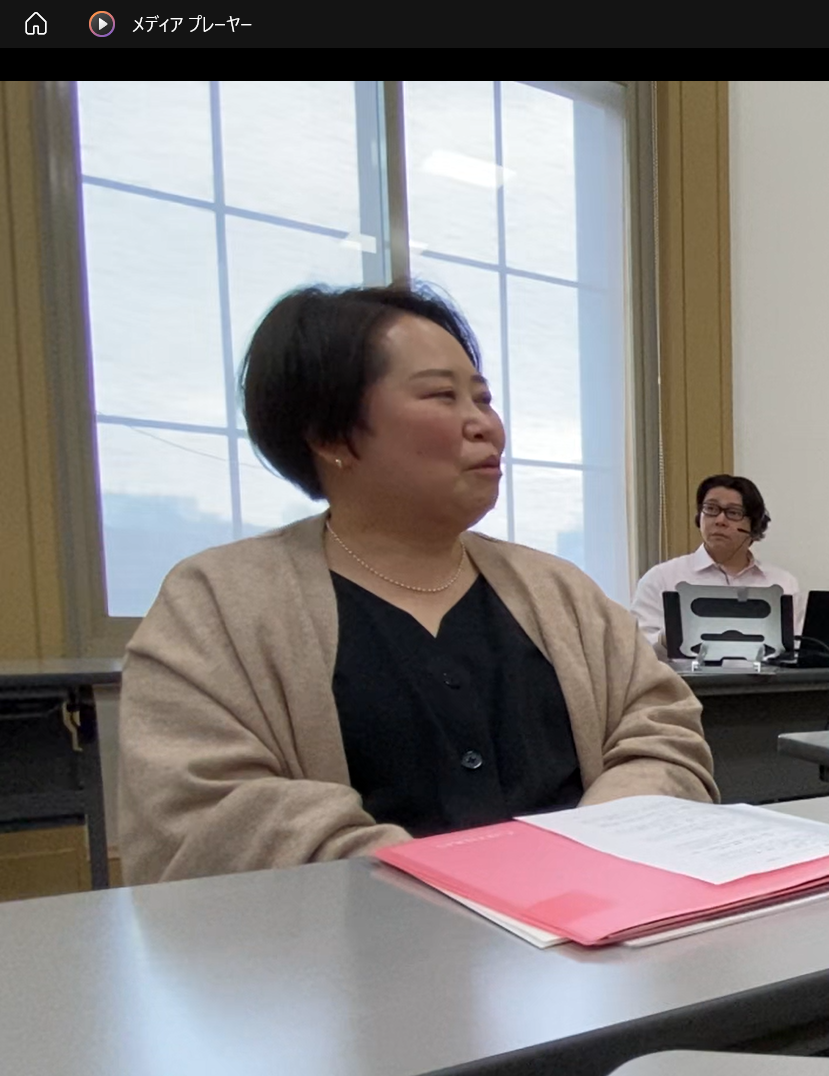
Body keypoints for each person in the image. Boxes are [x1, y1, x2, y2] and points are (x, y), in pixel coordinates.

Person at [119, 283, 716, 884]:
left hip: (587, 923)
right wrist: (448, 883)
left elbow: (661, 734)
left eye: (483, 399)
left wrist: (600, 841)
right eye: (442, 396)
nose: (485, 426)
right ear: (329, 434)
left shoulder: (561, 592)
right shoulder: (218, 602)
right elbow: (207, 814)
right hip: (356, 937)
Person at [630, 475, 802, 656]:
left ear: (754, 524)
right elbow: (635, 651)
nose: (720, 520)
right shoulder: (662, 578)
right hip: (684, 675)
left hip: (768, 675)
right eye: (711, 509)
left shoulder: (783, 583)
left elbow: (800, 651)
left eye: (733, 512)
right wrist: (669, 637)